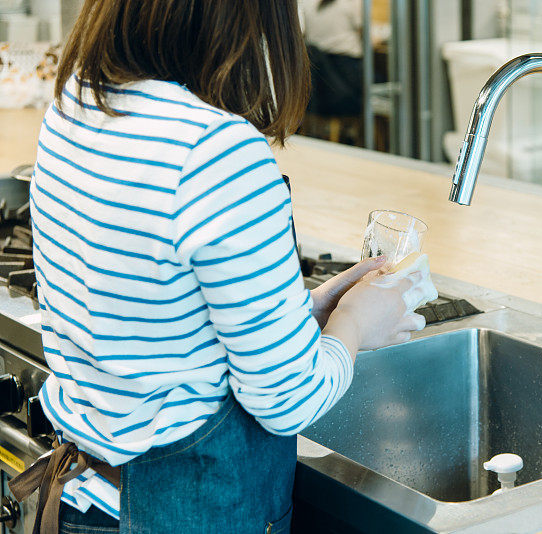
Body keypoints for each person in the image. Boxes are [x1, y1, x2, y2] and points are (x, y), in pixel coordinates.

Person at [10, 1, 431, 533]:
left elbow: (157, 312)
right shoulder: (217, 152)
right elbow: (289, 400)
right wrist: (354, 326)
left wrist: (304, 313)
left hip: (90, 500)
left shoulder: (75, 105)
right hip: (190, 511)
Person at [300, 0, 364, 117]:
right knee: (384, 84)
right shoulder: (351, 2)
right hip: (347, 73)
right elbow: (366, 36)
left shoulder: (306, 3)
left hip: (321, 79)